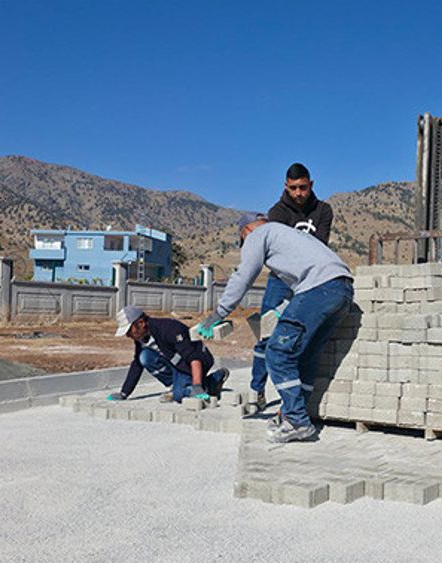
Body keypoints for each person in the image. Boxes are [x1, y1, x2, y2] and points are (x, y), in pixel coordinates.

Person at [196, 214, 353, 443]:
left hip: (319, 289)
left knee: (278, 353)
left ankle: (297, 421)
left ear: (246, 231)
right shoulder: (291, 235)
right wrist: (281, 310)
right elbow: (306, 278)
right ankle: (296, 412)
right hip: (342, 290)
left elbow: (243, 277)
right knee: (307, 356)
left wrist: (218, 314)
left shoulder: (258, 234)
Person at [248, 163, 336, 408]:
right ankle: (257, 389)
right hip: (279, 280)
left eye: (303, 187)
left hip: (308, 281)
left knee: (300, 337)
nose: (299, 193)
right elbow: (278, 252)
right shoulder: (277, 212)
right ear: (286, 186)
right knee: (266, 334)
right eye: (294, 188)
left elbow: (320, 247)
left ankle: (294, 394)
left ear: (311, 184)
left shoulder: (324, 211)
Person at [107, 306, 229, 403]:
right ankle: (177, 386)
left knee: (179, 395)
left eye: (129, 331)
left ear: (141, 323)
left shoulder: (169, 329)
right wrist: (124, 393)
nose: (128, 335)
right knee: (144, 357)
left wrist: (197, 385)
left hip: (195, 363)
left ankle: (213, 380)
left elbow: (193, 357)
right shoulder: (141, 336)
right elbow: (137, 364)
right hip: (176, 363)